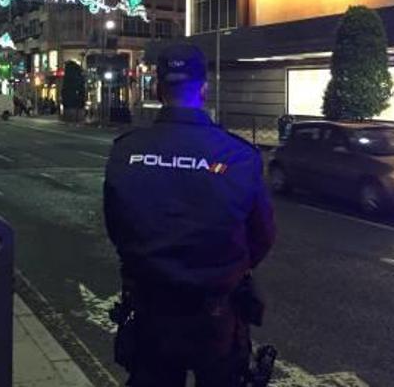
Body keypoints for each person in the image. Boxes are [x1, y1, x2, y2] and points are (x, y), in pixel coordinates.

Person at [103, 44, 276, 387]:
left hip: (151, 312)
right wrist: (228, 269)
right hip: (217, 315)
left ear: (157, 88)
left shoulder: (126, 151)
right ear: (204, 89)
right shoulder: (239, 155)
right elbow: (262, 236)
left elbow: (117, 227)